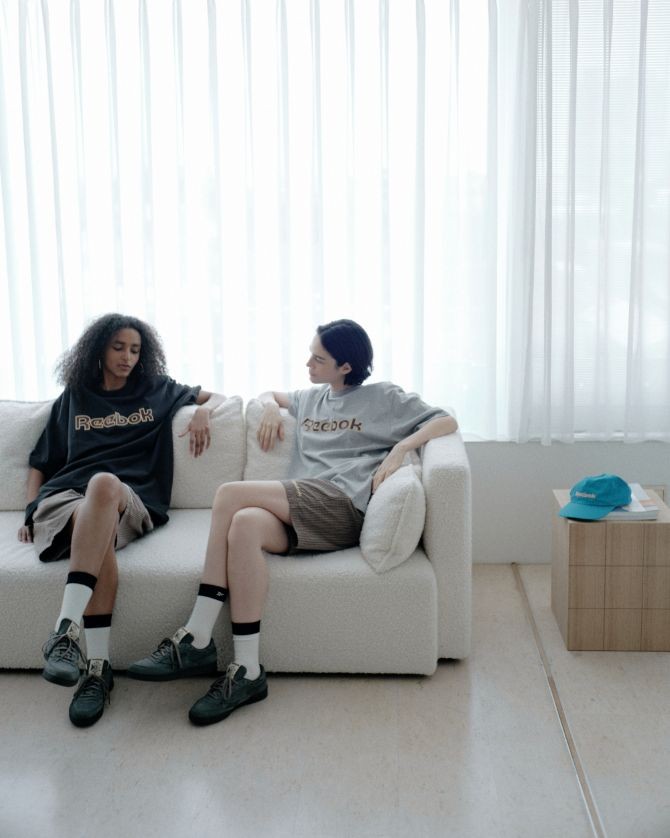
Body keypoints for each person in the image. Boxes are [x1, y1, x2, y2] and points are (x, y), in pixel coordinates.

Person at [128, 318, 457, 726]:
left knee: (229, 495)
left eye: (318, 359)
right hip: (304, 507)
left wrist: (401, 448)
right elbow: (271, 394)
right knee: (244, 525)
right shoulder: (311, 398)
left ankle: (196, 635)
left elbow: (445, 420)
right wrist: (269, 405)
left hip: (342, 505)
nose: (308, 364)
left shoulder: (382, 397)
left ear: (346, 367)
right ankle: (247, 671)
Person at [19, 313, 225, 728]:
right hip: (67, 499)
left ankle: (65, 631)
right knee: (97, 528)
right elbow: (41, 461)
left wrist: (203, 413)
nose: (128, 357)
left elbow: (217, 397)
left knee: (104, 484)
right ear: (98, 349)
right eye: (118, 348)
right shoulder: (76, 397)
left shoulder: (156, 390)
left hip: (129, 497)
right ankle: (98, 670)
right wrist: (29, 510)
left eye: (135, 350)